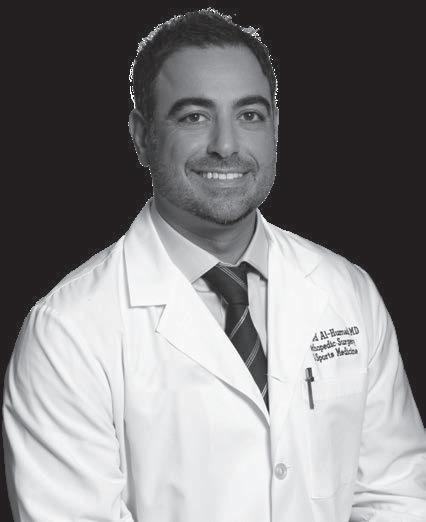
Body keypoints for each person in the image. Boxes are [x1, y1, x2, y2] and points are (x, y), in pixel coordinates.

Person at [3, 8, 425, 522]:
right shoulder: (67, 332)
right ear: (141, 136)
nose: (226, 146)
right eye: (194, 117)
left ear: (275, 127)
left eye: (250, 115)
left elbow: (397, 495)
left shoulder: (347, 291)